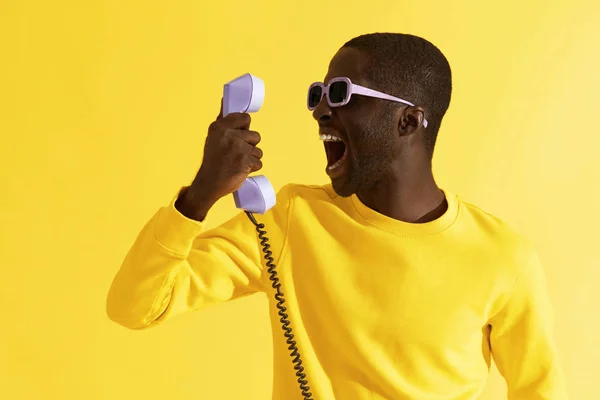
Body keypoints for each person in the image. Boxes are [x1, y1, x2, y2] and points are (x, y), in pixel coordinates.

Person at [106, 33, 568, 399]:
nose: (321, 111)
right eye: (318, 94)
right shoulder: (290, 220)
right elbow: (134, 306)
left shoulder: (503, 258)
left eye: (342, 94)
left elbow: (540, 392)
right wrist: (202, 192)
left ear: (407, 121)